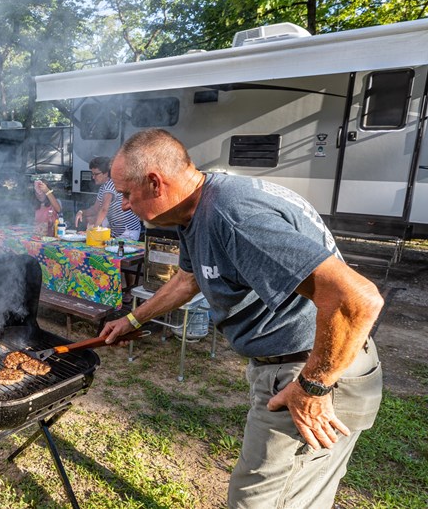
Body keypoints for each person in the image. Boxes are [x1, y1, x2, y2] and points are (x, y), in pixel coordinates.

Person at [100, 128, 384, 508]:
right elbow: (188, 279)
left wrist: (313, 387)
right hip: (303, 365)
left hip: (314, 370)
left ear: (154, 183)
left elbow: (357, 298)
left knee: (256, 501)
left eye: (125, 193)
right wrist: (134, 320)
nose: (121, 205)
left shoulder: (232, 216)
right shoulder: (194, 209)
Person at [74, 156, 142, 241]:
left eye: (96, 174)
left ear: (106, 173)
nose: (93, 177)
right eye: (92, 174)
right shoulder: (103, 187)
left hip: (128, 231)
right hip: (118, 231)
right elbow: (95, 209)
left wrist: (92, 231)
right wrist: (81, 212)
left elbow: (103, 210)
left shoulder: (110, 185)